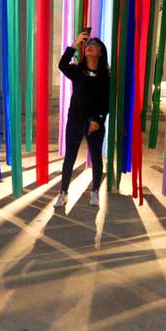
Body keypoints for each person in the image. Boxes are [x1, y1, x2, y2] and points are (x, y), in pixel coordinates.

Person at [55, 30, 110, 208]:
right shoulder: (78, 71)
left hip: (95, 123)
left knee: (96, 157)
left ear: (101, 52)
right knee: (69, 157)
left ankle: (94, 191)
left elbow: (106, 102)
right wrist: (75, 43)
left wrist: (98, 120)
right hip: (75, 121)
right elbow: (62, 65)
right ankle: (63, 192)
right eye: (89, 44)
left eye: (95, 45)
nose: (90, 46)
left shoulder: (105, 76)